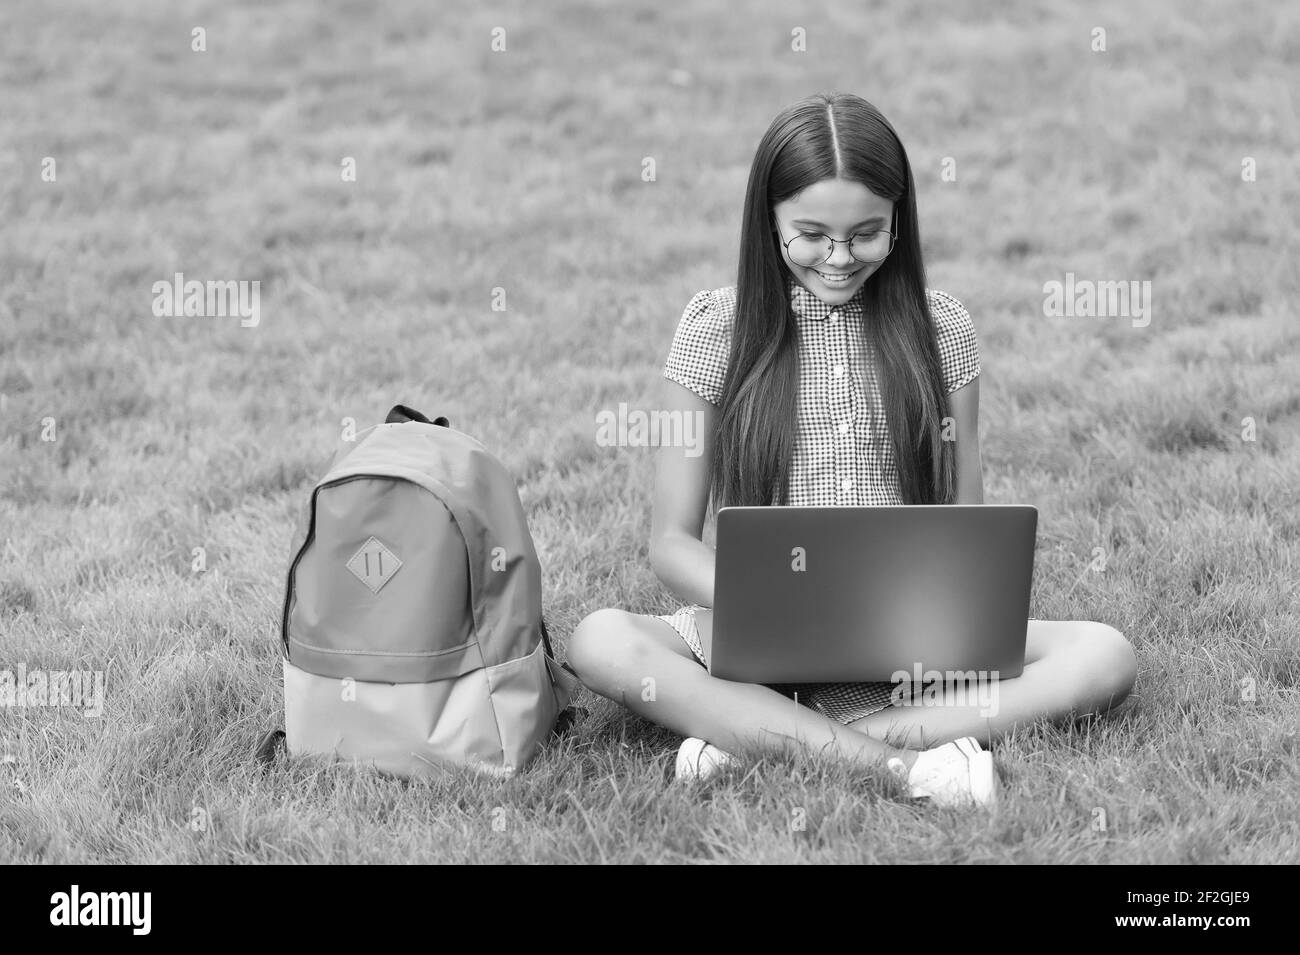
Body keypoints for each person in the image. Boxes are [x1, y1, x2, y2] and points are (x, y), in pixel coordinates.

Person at [566, 91, 1137, 808]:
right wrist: (771, 605)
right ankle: (901, 762)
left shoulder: (943, 329)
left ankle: (761, 736)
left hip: (909, 635)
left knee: (1104, 655)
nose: (839, 258)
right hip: (757, 626)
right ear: (766, 221)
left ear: (899, 221)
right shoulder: (715, 328)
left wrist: (932, 611)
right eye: (811, 234)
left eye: (865, 233)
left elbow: (967, 518)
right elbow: (671, 541)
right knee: (602, 640)